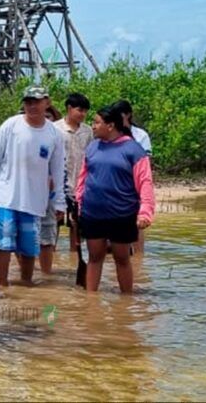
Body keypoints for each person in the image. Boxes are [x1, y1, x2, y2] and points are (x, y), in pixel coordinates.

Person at [0, 86, 66, 286]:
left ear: (46, 102)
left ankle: (26, 283)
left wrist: (59, 203)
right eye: (28, 101)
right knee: (3, 243)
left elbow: (57, 170)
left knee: (30, 246)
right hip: (6, 195)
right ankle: (2, 284)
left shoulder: (54, 134)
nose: (31, 106)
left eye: (36, 101)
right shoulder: (10, 126)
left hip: (35, 199)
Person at [76, 104, 156, 293]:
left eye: (96, 122)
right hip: (93, 213)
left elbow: (145, 182)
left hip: (122, 214)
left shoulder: (133, 149)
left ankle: (126, 303)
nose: (93, 126)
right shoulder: (93, 147)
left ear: (110, 125)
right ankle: (91, 301)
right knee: (94, 257)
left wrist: (145, 212)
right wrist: (79, 204)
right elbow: (83, 178)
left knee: (122, 258)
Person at [54, 93, 93, 252]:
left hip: (79, 184)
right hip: (59, 184)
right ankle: (50, 259)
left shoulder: (88, 131)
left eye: (85, 111)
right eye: (80, 110)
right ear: (69, 109)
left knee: (76, 226)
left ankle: (74, 258)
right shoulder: (55, 128)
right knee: (54, 225)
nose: (83, 114)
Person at [114, 99, 152, 254]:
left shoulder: (141, 135)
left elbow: (146, 163)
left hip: (133, 182)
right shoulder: (111, 133)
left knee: (137, 221)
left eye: (119, 115)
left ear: (128, 115)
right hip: (115, 182)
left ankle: (138, 256)